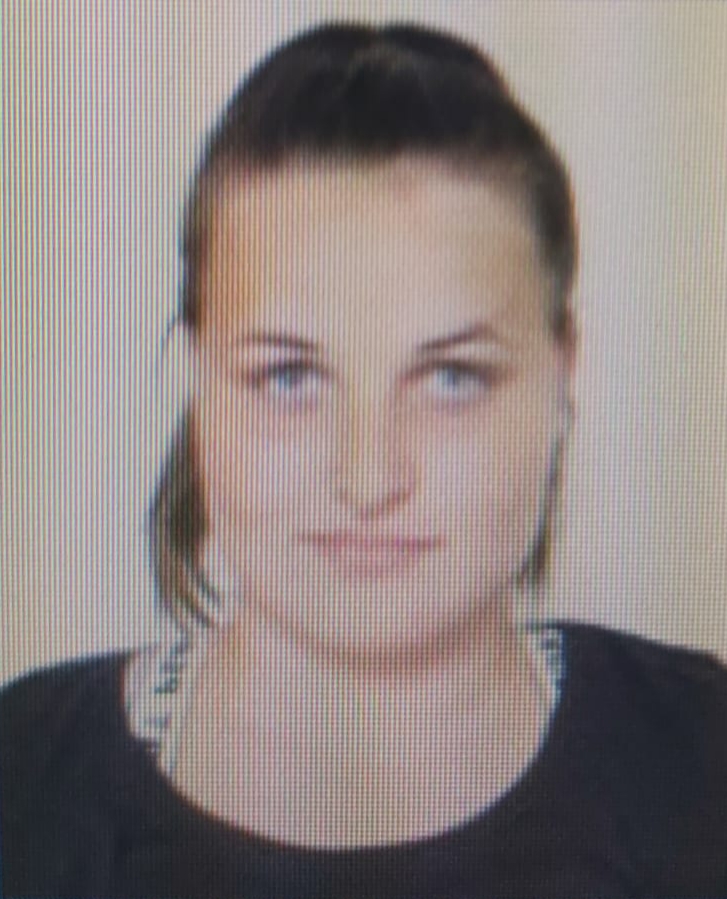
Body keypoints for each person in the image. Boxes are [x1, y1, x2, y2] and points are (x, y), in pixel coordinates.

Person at [1, 21, 726, 899]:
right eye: (289, 376)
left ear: (561, 372)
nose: (368, 479)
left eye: (452, 376)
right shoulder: (23, 786)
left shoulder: (702, 761)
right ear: (195, 380)